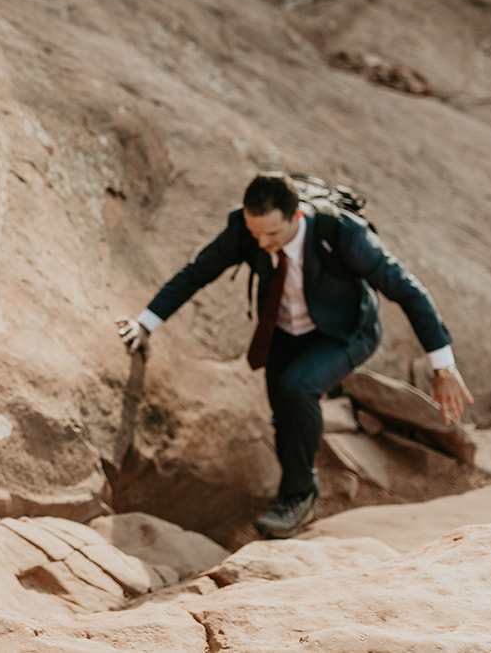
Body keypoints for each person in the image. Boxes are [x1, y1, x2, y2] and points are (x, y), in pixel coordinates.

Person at [114, 172, 472, 539]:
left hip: (346, 332)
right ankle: (295, 493)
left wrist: (442, 367)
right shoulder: (246, 228)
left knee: (298, 387)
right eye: (256, 234)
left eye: (272, 234)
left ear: (296, 217)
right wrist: (145, 324)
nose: (262, 242)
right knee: (284, 412)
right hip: (285, 331)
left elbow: (409, 291)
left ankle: (299, 497)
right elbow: (196, 273)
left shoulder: (342, 234)